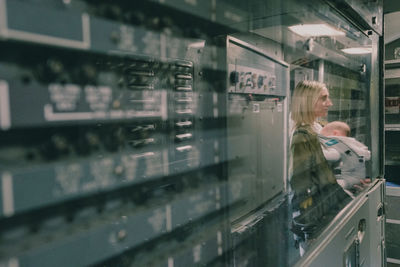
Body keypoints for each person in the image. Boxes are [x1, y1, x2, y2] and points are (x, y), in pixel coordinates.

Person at [289, 81, 351, 254]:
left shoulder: (316, 129)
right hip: (314, 222)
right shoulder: (301, 136)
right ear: (308, 101)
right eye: (324, 98)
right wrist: (310, 232)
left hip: (324, 214)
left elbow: (323, 174)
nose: (329, 103)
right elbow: (302, 187)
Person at [320, 121, 371, 197]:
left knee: (331, 187)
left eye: (323, 136)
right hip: (359, 178)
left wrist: (319, 153)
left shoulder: (333, 141)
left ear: (335, 133)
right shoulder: (353, 142)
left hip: (344, 179)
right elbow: (367, 154)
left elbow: (333, 155)